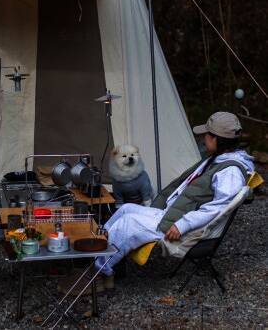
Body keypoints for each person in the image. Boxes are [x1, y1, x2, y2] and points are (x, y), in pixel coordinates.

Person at [95, 111, 254, 282]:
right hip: (172, 213)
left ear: (218, 139)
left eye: (207, 135)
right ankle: (97, 245)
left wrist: (182, 225)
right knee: (126, 209)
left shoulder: (230, 173)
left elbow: (218, 208)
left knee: (128, 223)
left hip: (181, 225)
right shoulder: (218, 159)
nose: (203, 139)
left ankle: (98, 271)